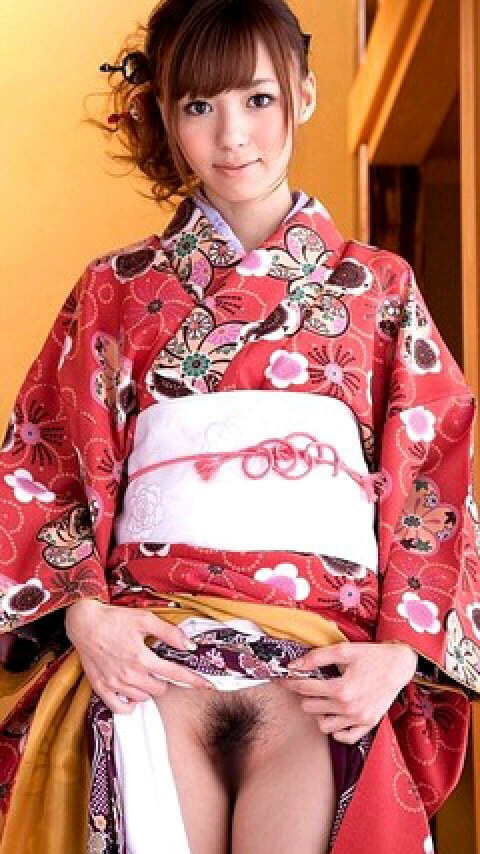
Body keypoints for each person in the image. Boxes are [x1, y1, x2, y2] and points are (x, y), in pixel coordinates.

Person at [0, 0, 479, 851]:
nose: (232, 137)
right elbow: (45, 461)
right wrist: (84, 618)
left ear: (304, 94)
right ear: (165, 114)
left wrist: (401, 655)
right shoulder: (114, 289)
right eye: (199, 106)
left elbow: (437, 477)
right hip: (151, 648)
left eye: (258, 99)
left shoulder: (380, 289)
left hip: (323, 658)